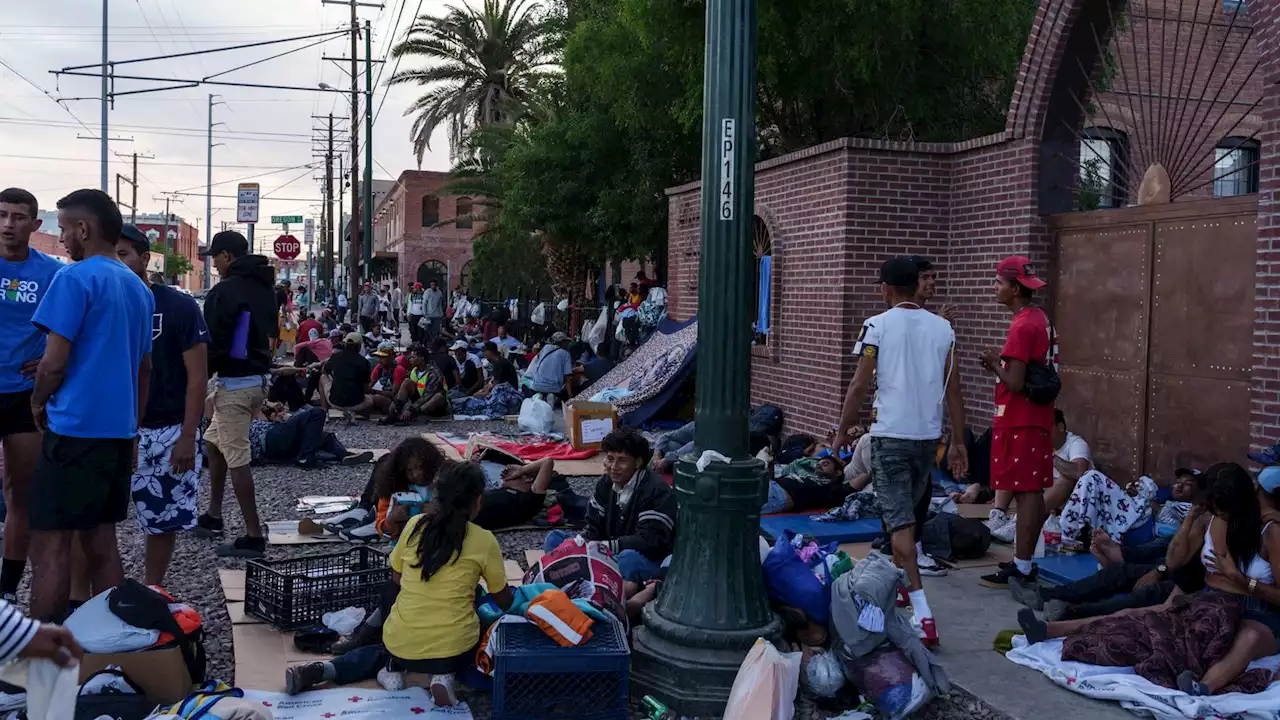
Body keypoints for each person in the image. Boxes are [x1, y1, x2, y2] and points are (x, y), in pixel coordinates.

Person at [1016, 463, 1280, 697]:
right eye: (1213, 508)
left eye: (1222, 510)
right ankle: (1049, 630)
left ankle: (1205, 687)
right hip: (1210, 601)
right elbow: (1175, 560)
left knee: (1249, 637)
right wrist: (1190, 519)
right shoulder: (1212, 519)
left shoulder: (1270, 531)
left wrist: (1240, 579)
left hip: (1256, 612)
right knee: (1141, 615)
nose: (1219, 514)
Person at [288, 463, 513, 704]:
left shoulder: (415, 526)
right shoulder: (484, 540)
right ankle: (443, 676)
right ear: (478, 500)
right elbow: (502, 599)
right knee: (480, 618)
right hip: (454, 650)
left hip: (400, 643)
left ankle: (342, 671)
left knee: (389, 644)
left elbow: (396, 582)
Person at [28, 189, 153, 622]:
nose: (61, 239)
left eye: (63, 228)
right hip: (116, 433)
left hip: (73, 430)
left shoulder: (74, 278)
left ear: (84, 228)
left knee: (49, 547)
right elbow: (144, 369)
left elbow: (53, 362)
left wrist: (37, 402)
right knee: (102, 542)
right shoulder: (138, 288)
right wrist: (133, 427)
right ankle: (113, 649)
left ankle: (37, 666)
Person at [833, 256, 968, 646]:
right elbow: (954, 391)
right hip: (928, 439)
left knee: (900, 531)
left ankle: (924, 616)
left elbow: (860, 384)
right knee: (901, 521)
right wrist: (958, 441)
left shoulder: (877, 325)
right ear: (916, 286)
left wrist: (842, 432)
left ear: (886, 289)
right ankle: (902, 586)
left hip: (890, 438)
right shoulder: (944, 329)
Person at [115, 225, 210, 587]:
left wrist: (188, 435)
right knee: (97, 520)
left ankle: (152, 588)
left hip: (166, 429)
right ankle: (100, 597)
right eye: (113, 255)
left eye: (124, 254)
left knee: (162, 518)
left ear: (144, 258)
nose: (118, 263)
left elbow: (197, 377)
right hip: (112, 425)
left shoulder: (178, 305)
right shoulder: (100, 300)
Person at [1010, 469, 1209, 623]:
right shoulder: (1171, 500)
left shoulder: (1203, 519)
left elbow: (1185, 564)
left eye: (1189, 484)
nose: (1181, 486)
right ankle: (1045, 595)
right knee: (1117, 573)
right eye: (1179, 481)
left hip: (1183, 575)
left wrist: (1161, 569)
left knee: (1145, 594)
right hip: (1164, 557)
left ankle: (1071, 612)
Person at [196, 230, 279, 558]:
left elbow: (212, 342)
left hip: (235, 384)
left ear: (227, 256)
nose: (213, 263)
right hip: (258, 379)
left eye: (215, 257)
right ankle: (214, 515)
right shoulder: (265, 287)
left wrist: (197, 378)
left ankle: (253, 536)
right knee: (214, 443)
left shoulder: (225, 291)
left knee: (237, 457)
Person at [0, 188, 63, 604]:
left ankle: (6, 592)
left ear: (36, 225)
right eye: (2, 216)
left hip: (24, 397)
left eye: (19, 217)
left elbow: (67, 328)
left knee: (20, 495)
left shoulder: (51, 273)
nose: (8, 225)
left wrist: (45, 357)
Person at [978, 255, 1056, 589]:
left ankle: (1022, 567)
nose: (995, 288)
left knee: (1026, 491)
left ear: (1013, 288)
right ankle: (1022, 562)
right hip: (1034, 418)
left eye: (998, 283)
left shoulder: (1022, 326)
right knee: (1029, 490)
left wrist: (995, 363)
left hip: (1020, 418)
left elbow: (1014, 382)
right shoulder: (1039, 318)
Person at [542, 428, 677, 584]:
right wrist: (581, 543)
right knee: (555, 539)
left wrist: (605, 546)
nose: (613, 467)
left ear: (638, 462)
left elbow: (650, 542)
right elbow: (593, 527)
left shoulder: (656, 490)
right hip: (607, 552)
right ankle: (591, 574)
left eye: (622, 460)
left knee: (627, 560)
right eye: (610, 459)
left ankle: (583, 576)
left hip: (644, 558)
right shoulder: (606, 483)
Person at [988, 409, 1092, 543]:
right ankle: (998, 516)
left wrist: (1048, 455)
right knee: (1013, 465)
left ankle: (1021, 521)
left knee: (1066, 479)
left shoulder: (1076, 444)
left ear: (1060, 427)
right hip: (1041, 496)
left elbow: (1078, 472)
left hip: (1066, 501)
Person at [247, 402, 371, 469]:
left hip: (276, 442)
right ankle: (305, 457)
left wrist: (271, 406)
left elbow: (258, 406)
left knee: (326, 436)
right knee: (317, 413)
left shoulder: (252, 417)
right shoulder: (242, 423)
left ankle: (344, 456)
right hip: (268, 438)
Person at [475, 457, 556, 531]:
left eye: (510, 472)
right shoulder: (500, 490)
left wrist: (521, 470)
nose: (504, 473)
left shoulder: (529, 499)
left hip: (468, 516)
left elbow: (547, 462)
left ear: (528, 478)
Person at [324, 333, 391, 420]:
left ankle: (324, 412)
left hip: (335, 401)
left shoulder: (335, 356)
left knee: (323, 377)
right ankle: (362, 415)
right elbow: (366, 388)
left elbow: (324, 371)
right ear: (359, 346)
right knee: (379, 401)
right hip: (357, 404)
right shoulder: (364, 362)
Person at [761, 454, 849, 514]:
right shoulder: (808, 478)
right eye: (818, 464)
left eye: (825, 464)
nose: (819, 465)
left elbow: (857, 480)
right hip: (771, 485)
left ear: (838, 472)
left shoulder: (832, 488)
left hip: (777, 495)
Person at [383, 345, 448, 424]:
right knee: (407, 381)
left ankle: (411, 417)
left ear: (422, 358)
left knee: (439, 396)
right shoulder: (414, 371)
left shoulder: (434, 373)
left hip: (434, 406)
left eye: (413, 357)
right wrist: (395, 403)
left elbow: (427, 396)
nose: (410, 359)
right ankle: (395, 413)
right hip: (419, 402)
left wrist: (411, 410)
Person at [525, 332, 575, 400]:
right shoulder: (566, 354)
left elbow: (538, 357)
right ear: (562, 342)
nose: (567, 344)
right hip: (553, 388)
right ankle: (554, 398)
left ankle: (540, 395)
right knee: (563, 394)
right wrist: (570, 396)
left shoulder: (545, 348)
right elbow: (567, 378)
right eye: (566, 342)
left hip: (536, 386)